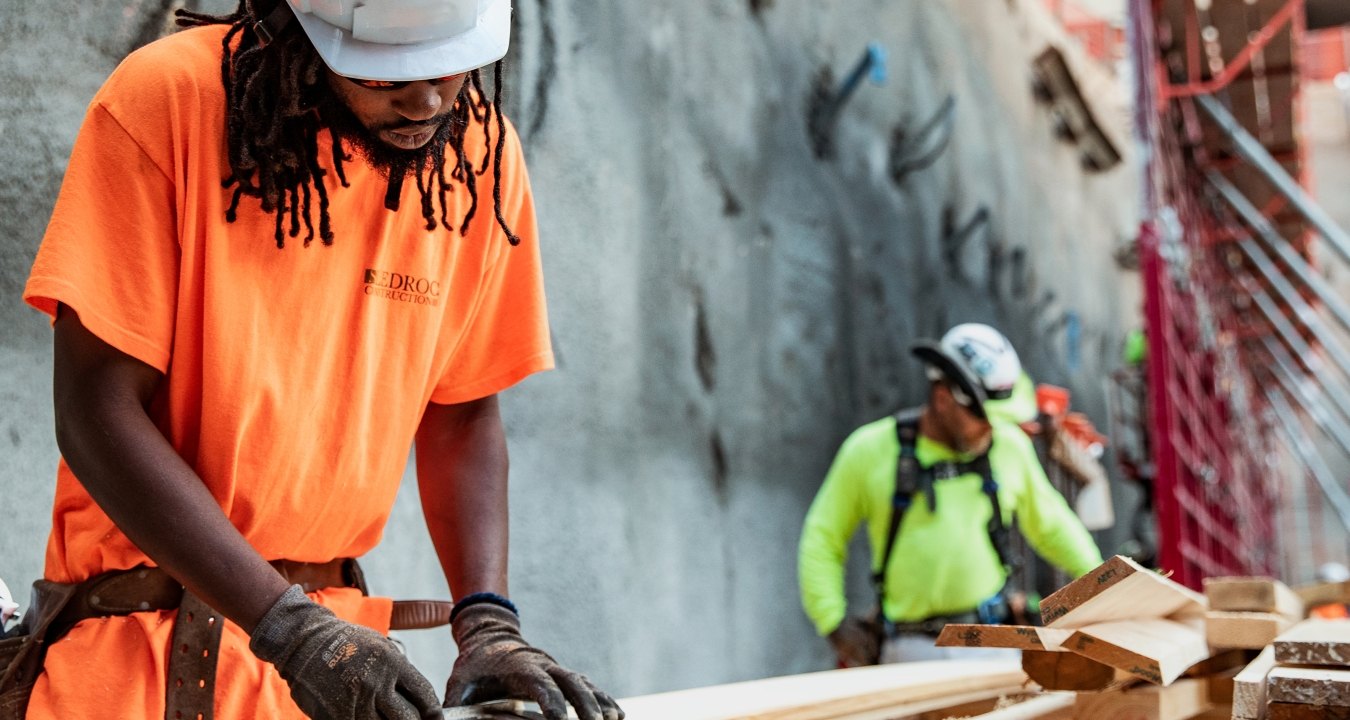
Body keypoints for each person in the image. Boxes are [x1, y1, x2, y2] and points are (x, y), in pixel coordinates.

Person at [13, 1, 622, 719]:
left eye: (450, 63)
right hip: (138, 657)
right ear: (292, 30)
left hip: (333, 666)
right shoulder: (168, 99)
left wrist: (486, 622)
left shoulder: (477, 153)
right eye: (383, 73)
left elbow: (461, 416)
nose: (426, 98)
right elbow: (94, 411)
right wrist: (286, 628)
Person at [798, 323, 1103, 666]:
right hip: (909, 649)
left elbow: (1053, 526)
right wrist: (833, 621)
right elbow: (823, 537)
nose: (992, 429)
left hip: (992, 640)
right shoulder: (869, 451)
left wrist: (1103, 590)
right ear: (943, 399)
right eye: (984, 418)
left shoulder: (1009, 448)